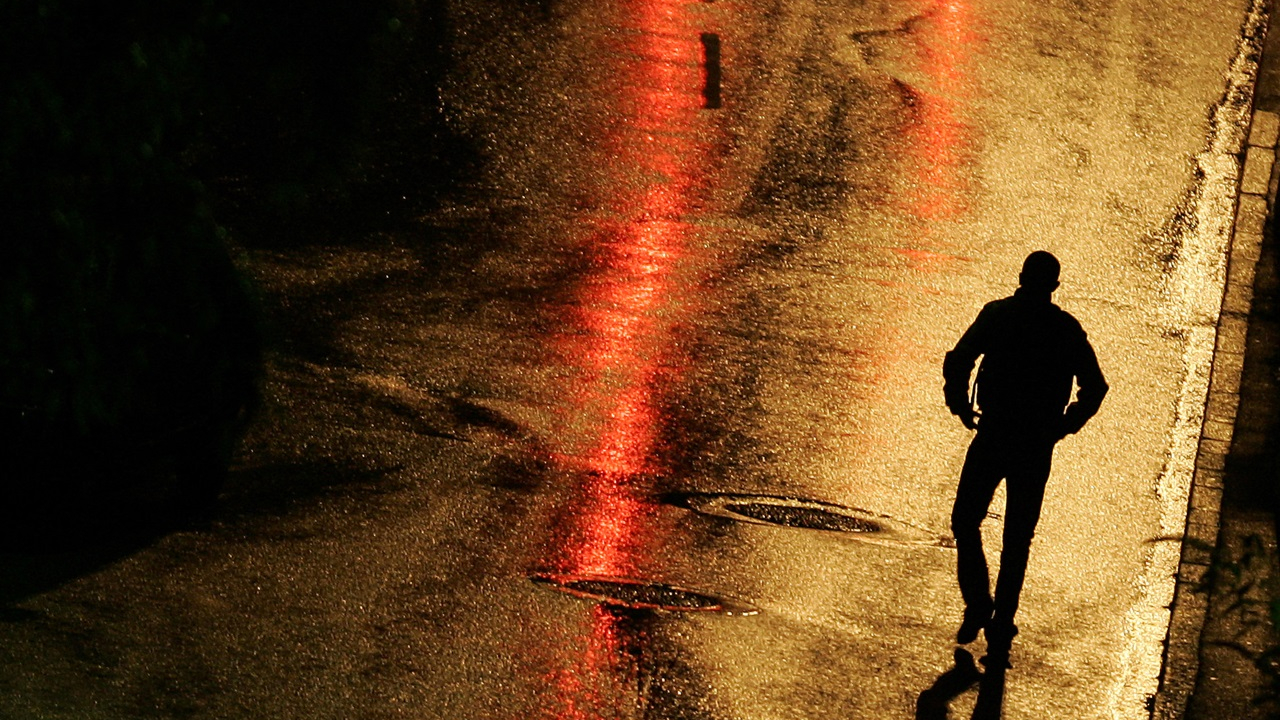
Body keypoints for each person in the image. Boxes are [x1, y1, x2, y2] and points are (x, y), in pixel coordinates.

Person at [942, 251, 1107, 664]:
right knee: (1018, 537)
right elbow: (1095, 387)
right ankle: (1002, 621)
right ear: (1054, 286)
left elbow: (960, 359)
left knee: (966, 519)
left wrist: (960, 403)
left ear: (1021, 277)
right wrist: (1064, 424)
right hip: (1036, 443)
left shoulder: (997, 314)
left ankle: (979, 601)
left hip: (994, 432)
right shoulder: (1066, 329)